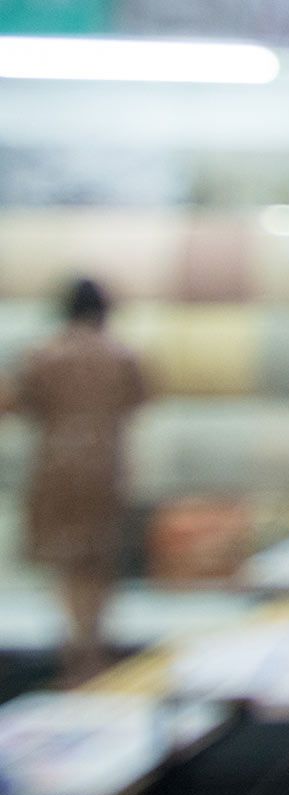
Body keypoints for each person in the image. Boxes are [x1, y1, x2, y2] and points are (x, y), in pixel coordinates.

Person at [2, 280, 148, 684]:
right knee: (100, 560)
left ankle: (76, 652)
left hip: (56, 468)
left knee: (67, 564)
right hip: (106, 467)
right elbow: (139, 401)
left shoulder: (42, 355)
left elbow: (15, 405)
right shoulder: (123, 356)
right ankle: (95, 649)